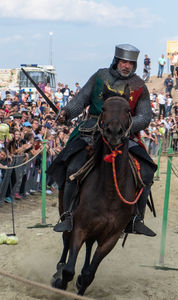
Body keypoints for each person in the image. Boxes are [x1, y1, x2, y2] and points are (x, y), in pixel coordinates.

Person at [47, 43, 157, 236]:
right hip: (91, 131)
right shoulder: (100, 76)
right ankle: (68, 215)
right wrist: (66, 112)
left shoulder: (139, 86)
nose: (126, 66)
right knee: (71, 166)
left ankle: (136, 219)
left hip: (125, 135)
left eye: (131, 63)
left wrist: (126, 127)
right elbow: (81, 100)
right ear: (116, 61)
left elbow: (144, 116)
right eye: (123, 61)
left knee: (146, 171)